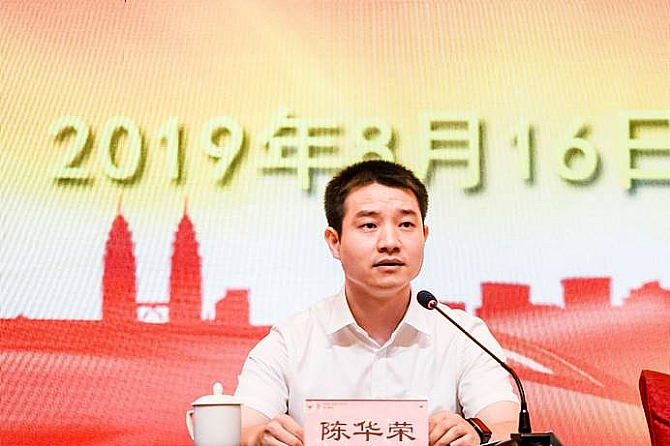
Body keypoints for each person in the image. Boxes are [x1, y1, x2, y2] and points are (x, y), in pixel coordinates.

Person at [235, 160, 519, 446]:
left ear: (424, 236)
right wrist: (258, 437)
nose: (390, 242)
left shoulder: (463, 335)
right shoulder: (290, 341)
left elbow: (508, 426)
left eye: (406, 224)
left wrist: (476, 433)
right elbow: (237, 431)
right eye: (369, 225)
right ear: (334, 242)